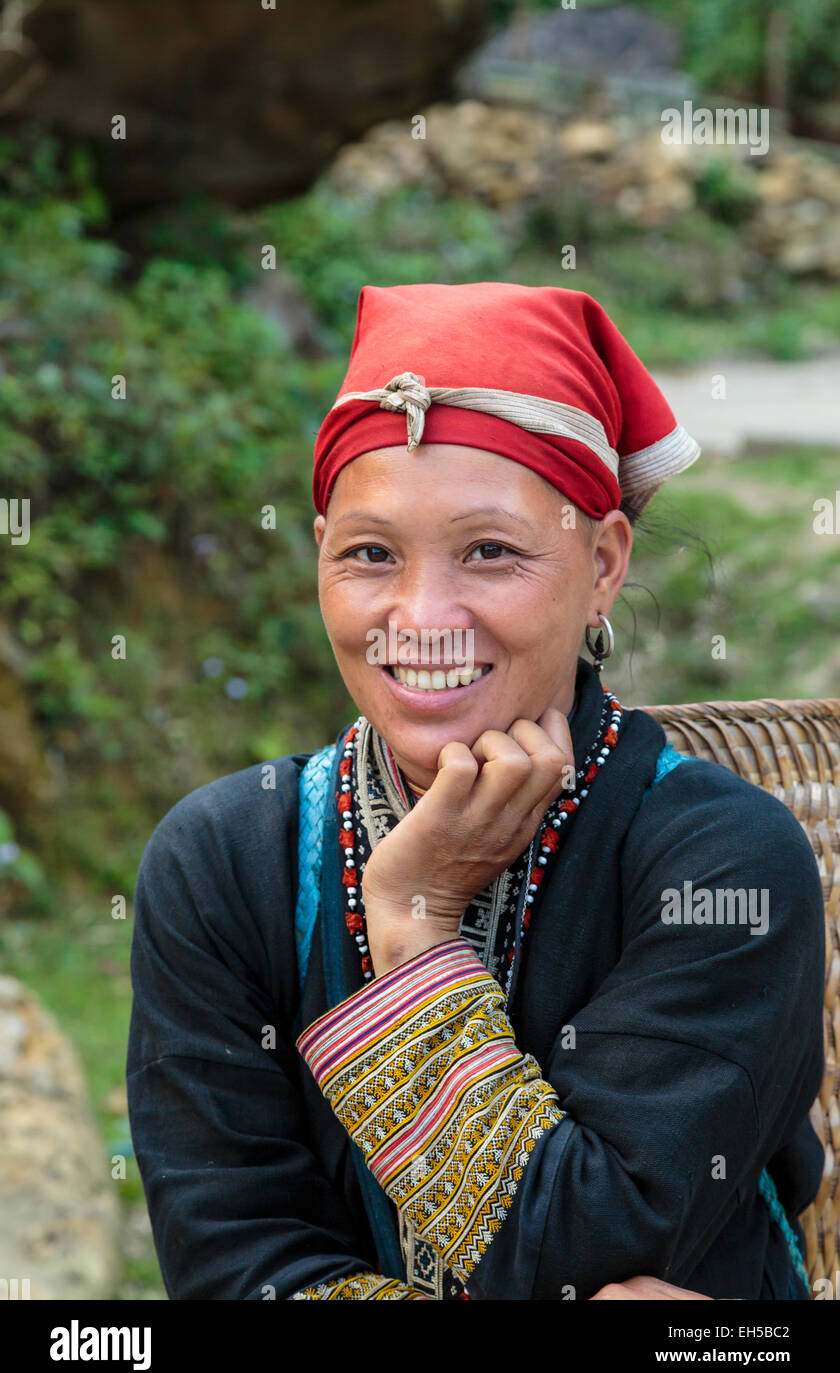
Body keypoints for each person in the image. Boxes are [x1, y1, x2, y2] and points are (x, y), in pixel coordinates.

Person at [126, 282, 825, 1301]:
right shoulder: (221, 863)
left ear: (602, 565)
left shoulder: (723, 864)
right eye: (370, 553)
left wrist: (414, 924)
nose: (421, 615)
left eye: (490, 551)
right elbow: (233, 1271)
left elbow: (580, 1249)